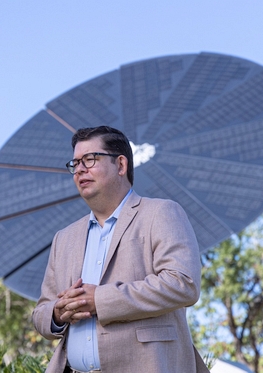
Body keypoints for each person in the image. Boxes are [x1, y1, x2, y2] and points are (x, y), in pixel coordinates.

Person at [32, 126, 208, 373]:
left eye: (90, 159)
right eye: (75, 163)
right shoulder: (64, 238)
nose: (80, 169)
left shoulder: (160, 213)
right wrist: (57, 314)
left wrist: (100, 299)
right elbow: (41, 311)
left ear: (121, 165)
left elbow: (183, 283)